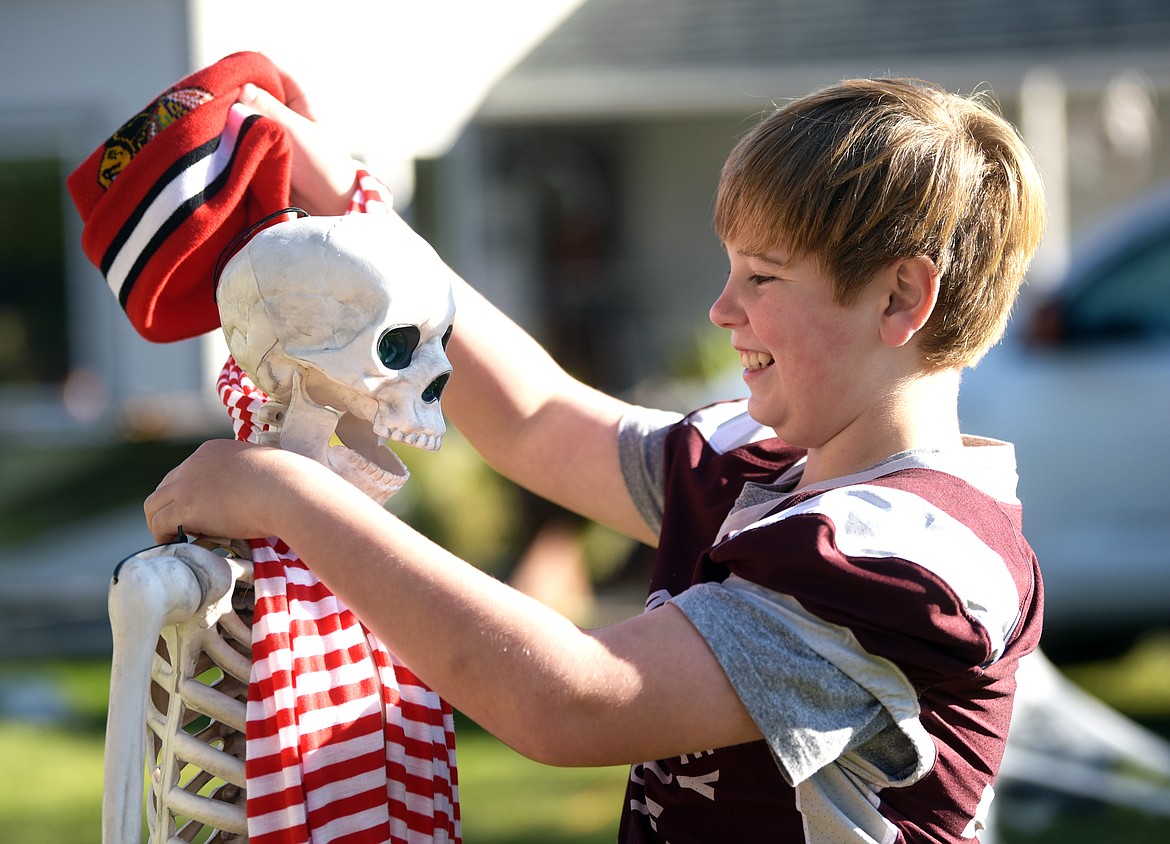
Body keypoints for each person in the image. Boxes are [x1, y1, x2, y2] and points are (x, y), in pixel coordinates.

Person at [145, 74, 1046, 843]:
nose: (722, 309)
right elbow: (536, 418)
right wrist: (350, 201)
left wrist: (287, 497)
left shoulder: (911, 558)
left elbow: (572, 701)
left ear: (901, 298)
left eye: (763, 277)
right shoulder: (760, 460)